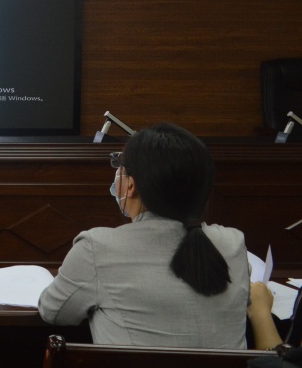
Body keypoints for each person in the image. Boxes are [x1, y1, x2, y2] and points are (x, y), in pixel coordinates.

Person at [37, 122, 250, 348]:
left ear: (131, 186)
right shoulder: (233, 243)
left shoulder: (95, 248)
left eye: (119, 166)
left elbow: (53, 311)